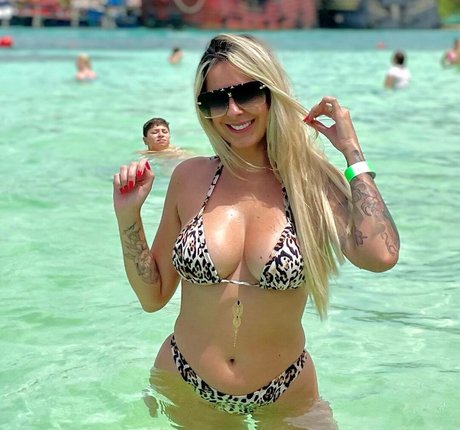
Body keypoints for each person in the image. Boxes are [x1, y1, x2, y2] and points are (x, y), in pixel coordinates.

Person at [113, 34, 399, 424]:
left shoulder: (309, 182)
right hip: (185, 381)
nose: (233, 111)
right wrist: (128, 217)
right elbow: (153, 296)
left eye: (246, 93)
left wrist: (352, 152)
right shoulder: (190, 177)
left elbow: (381, 256)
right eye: (216, 100)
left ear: (270, 93)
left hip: (286, 391)